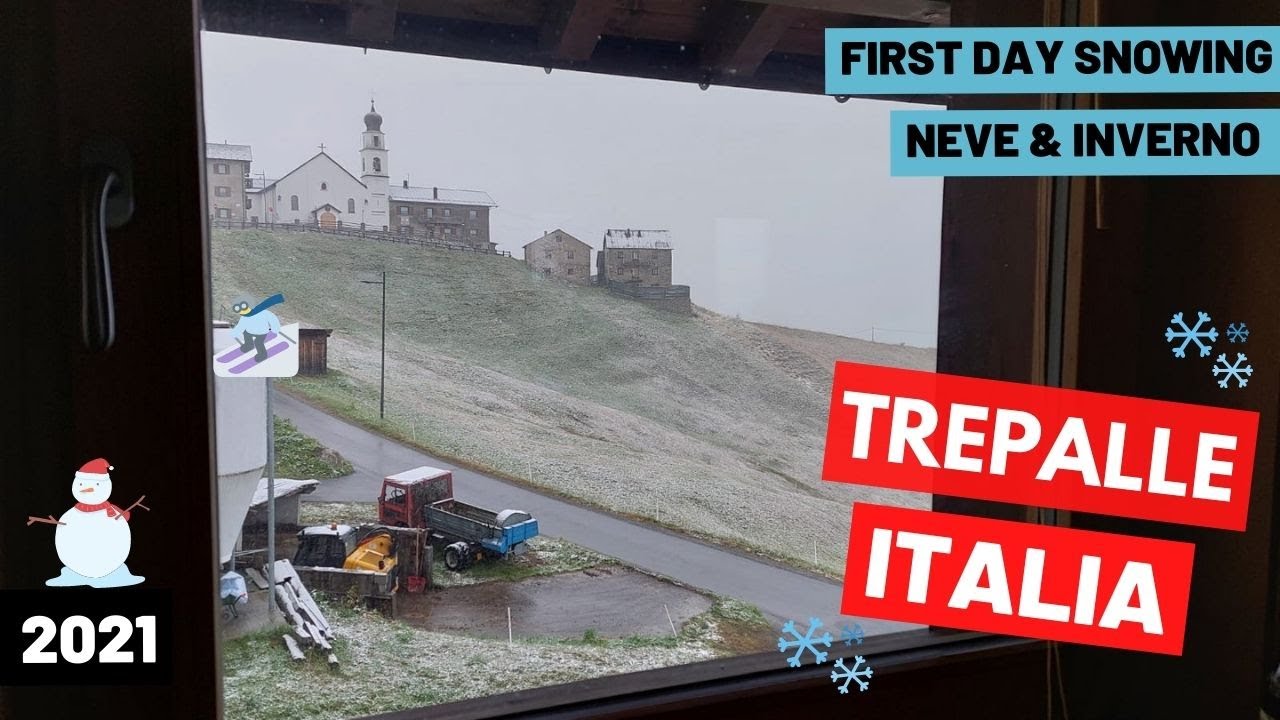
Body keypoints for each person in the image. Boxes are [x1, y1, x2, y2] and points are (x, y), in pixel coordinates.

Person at [230, 293, 284, 362]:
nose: (241, 310)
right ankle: (250, 346)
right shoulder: (246, 317)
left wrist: (275, 329)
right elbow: (240, 327)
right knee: (250, 336)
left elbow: (272, 319)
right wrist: (235, 332)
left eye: (243, 306)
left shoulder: (262, 313)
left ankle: (261, 354)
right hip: (255, 332)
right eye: (237, 308)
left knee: (257, 342)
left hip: (260, 333)